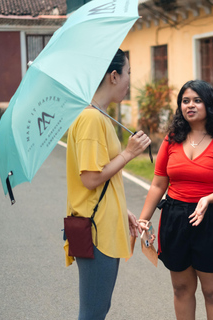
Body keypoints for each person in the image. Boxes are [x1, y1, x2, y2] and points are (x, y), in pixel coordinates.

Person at [138, 80, 213, 320]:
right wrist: (144, 220)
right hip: (175, 218)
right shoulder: (172, 139)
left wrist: (208, 199)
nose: (190, 106)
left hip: (212, 220)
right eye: (185, 101)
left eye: (197, 100)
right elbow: (158, 184)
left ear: (210, 105)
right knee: (181, 289)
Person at [65, 48, 151, 320]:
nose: (129, 82)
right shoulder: (91, 118)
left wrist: (120, 209)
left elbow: (103, 175)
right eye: (128, 74)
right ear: (114, 76)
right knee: (93, 312)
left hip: (102, 222)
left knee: (99, 308)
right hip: (95, 231)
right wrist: (129, 153)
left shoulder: (99, 115)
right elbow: (90, 178)